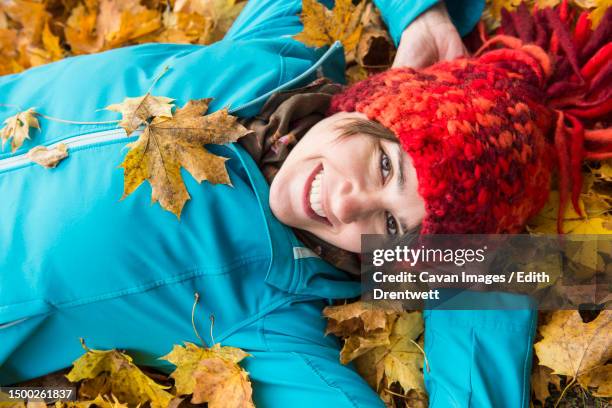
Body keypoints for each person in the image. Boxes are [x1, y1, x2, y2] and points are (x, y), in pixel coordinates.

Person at [2, 0, 609, 406]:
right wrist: (419, 14)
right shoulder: (276, 59)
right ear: (370, 107)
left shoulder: (263, 310)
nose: (348, 206)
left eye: (392, 224)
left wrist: (487, 273)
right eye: (384, 165)